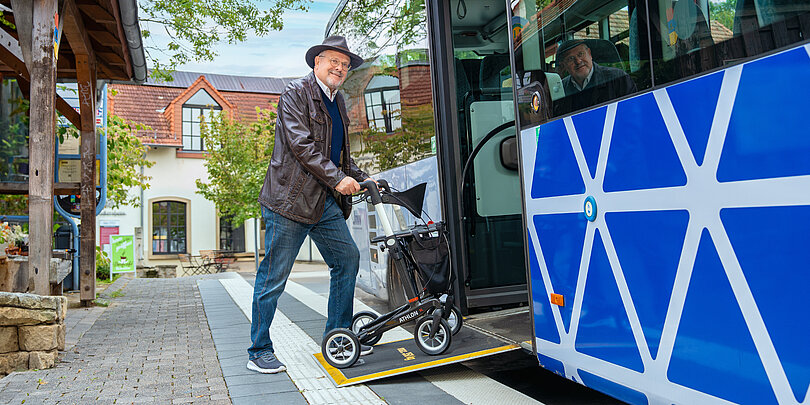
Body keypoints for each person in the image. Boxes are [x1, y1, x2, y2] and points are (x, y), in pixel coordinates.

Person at [248, 36, 373, 374]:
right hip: (289, 203)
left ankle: (339, 339)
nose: (340, 68)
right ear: (317, 62)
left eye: (345, 65)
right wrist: (338, 180)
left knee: (347, 259)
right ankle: (258, 350)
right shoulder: (295, 93)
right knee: (273, 278)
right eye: (334, 61)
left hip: (323, 201)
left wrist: (364, 177)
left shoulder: (338, 100)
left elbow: (339, 155)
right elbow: (302, 146)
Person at [554, 39, 637, 115]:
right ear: (564, 65)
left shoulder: (618, 78)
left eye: (581, 54)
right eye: (571, 58)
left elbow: (633, 112)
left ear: (589, 54)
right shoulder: (560, 89)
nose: (578, 61)